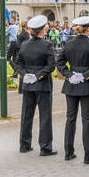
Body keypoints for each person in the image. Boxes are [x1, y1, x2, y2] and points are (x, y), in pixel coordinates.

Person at [57, 16, 89, 164]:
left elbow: (59, 63)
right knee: (87, 120)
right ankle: (88, 155)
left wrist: (69, 75)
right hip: (87, 84)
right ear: (88, 29)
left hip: (71, 84)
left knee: (70, 119)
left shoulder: (69, 43)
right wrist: (85, 75)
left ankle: (68, 152)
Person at [13, 15, 57, 156]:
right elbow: (51, 66)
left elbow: (18, 63)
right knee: (45, 116)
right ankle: (45, 147)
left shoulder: (25, 44)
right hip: (42, 84)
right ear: (42, 30)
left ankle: (24, 145)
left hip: (28, 84)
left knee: (26, 115)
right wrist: (38, 76)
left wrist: (26, 74)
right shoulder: (47, 45)